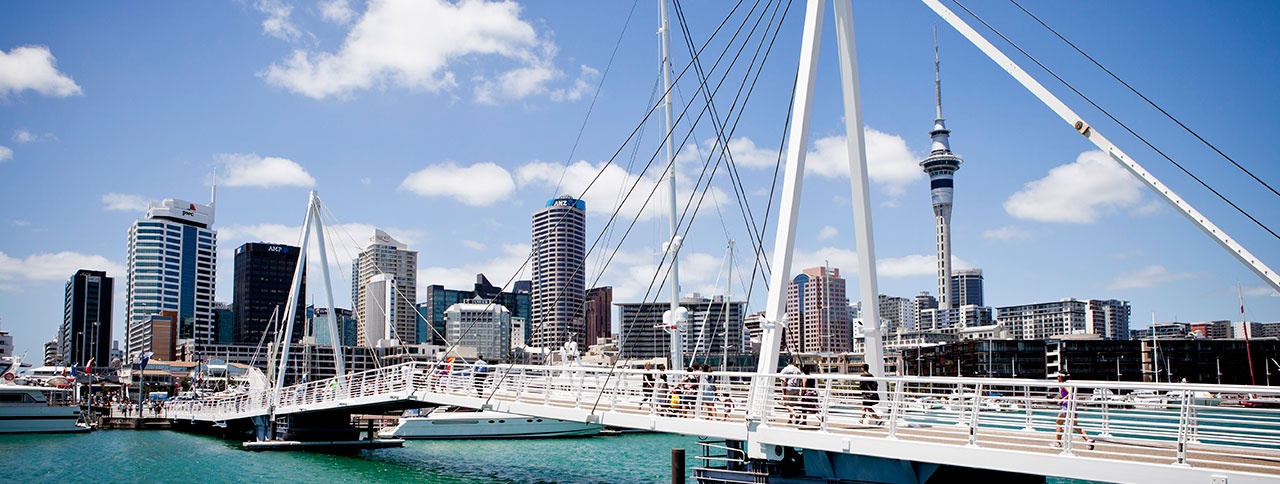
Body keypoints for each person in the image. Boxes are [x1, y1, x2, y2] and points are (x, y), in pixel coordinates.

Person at [1053, 374, 1094, 450]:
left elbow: (1070, 393)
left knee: (1058, 423)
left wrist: (1062, 400)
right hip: (1072, 406)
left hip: (1066, 406)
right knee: (1075, 425)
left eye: (1058, 376)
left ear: (1060, 377)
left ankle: (1058, 443)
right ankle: (1088, 440)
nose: (1057, 378)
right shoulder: (1069, 383)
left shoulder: (1063, 385)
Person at [780, 358, 803, 424]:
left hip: (789, 388)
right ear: (794, 362)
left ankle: (795, 414)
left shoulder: (785, 369)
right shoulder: (798, 370)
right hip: (796, 388)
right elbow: (800, 381)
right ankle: (790, 419)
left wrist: (783, 392)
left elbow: (784, 381)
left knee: (785, 404)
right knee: (792, 405)